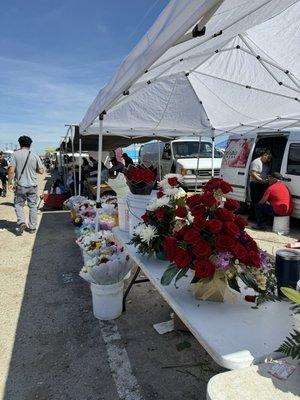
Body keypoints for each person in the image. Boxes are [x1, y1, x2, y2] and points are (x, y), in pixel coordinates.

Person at [8, 135, 44, 235]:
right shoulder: (35, 155)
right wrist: (33, 169)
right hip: (33, 185)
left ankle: (21, 222)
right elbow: (41, 171)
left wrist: (10, 183)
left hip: (21, 185)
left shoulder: (15, 154)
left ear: (20, 143)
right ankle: (32, 227)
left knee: (18, 204)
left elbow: (11, 171)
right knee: (32, 206)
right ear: (30, 144)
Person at [249, 149, 271, 219]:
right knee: (256, 201)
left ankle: (257, 216)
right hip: (256, 184)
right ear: (264, 155)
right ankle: (253, 216)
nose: (268, 160)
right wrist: (261, 181)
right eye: (267, 158)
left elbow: (265, 173)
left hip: (262, 183)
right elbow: (253, 173)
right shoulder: (256, 162)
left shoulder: (265, 163)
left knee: (260, 201)